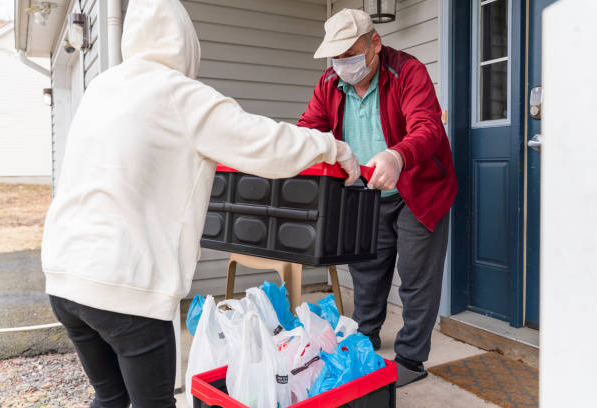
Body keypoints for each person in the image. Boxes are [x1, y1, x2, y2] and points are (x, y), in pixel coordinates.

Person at [41, 1, 360, 407]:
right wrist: (334, 148)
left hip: (65, 276)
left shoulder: (102, 88)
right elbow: (266, 143)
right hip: (125, 286)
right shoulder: (179, 95)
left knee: (110, 398)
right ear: (185, 43)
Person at [298, 9, 458, 387]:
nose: (342, 65)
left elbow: (427, 126)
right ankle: (364, 340)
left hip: (417, 188)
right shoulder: (328, 83)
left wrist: (397, 155)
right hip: (367, 190)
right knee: (366, 271)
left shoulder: (408, 72)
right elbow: (308, 129)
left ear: (375, 44)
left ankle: (410, 360)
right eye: (336, 57)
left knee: (417, 277)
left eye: (349, 55)